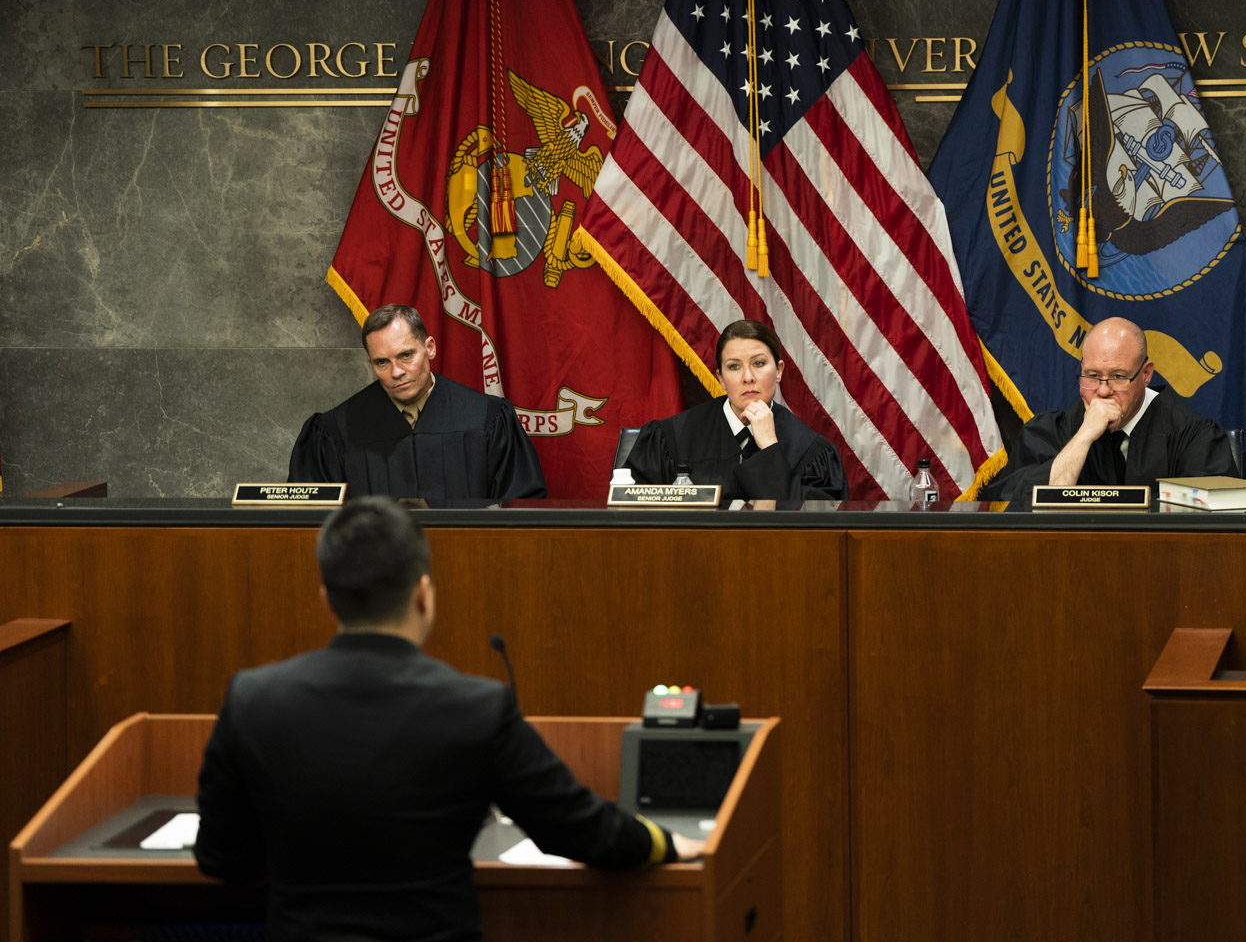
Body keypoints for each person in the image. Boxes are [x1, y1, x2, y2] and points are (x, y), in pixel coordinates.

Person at [195, 496, 702, 940]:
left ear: (328, 600)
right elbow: (574, 828)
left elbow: (223, 860)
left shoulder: (253, 699)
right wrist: (662, 841)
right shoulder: (476, 707)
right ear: (423, 594)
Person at [288, 304, 546, 500]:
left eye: (406, 355)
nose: (396, 371)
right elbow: (311, 524)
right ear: (370, 362)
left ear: (430, 347)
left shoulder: (487, 418)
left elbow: (520, 512)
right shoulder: (335, 431)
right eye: (382, 362)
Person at [986, 317, 1233, 501]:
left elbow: (1212, 527)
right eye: (1092, 376)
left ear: (1146, 374)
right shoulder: (1052, 432)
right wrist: (1083, 438)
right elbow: (1018, 510)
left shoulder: (1192, 436)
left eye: (1118, 376)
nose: (1103, 391)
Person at [625, 319, 849, 502]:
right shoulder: (671, 438)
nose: (748, 377)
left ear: (779, 371)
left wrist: (770, 448)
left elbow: (818, 533)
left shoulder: (813, 452)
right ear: (720, 378)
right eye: (734, 367)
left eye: (759, 363)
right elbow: (634, 518)